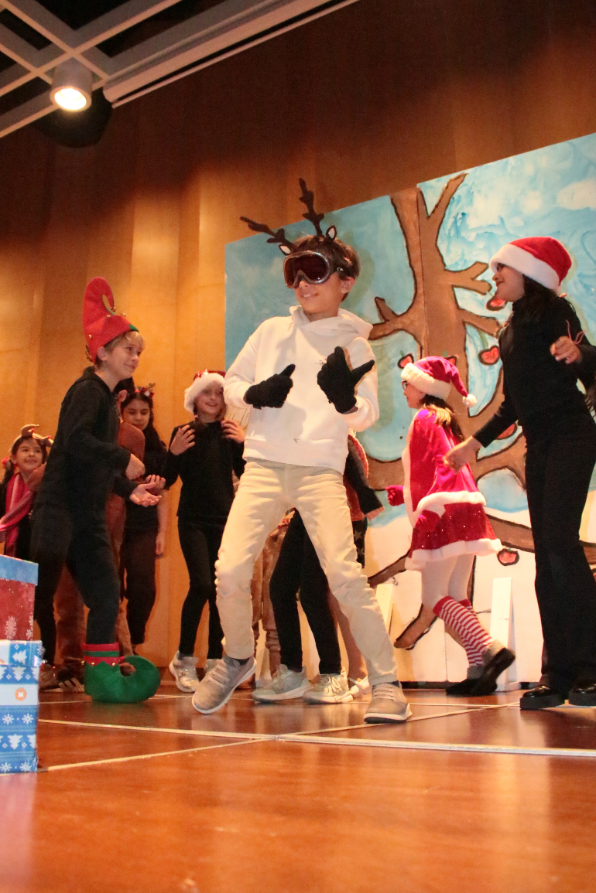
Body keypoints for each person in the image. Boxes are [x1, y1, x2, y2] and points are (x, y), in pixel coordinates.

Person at [192, 206, 409, 723]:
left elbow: (368, 413)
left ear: (345, 282)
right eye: (295, 273)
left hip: (318, 471)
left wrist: (345, 401)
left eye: (316, 272)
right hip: (264, 466)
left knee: (345, 576)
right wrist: (255, 394)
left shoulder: (354, 342)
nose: (303, 284)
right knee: (229, 569)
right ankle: (237, 657)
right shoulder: (270, 331)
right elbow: (233, 384)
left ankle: (386, 684)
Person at [445, 237, 596, 709]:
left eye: (501, 269)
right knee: (547, 557)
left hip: (572, 435)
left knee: (561, 545)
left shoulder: (557, 311)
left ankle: (591, 667)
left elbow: (589, 358)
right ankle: (557, 674)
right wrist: (472, 444)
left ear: (529, 274)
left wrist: (578, 355)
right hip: (540, 445)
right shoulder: (508, 332)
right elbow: (512, 403)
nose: (494, 276)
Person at [29, 277, 162, 703]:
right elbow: (75, 442)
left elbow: (93, 464)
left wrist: (127, 488)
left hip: (88, 516)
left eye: (138, 352)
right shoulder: (87, 390)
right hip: (58, 507)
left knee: (105, 596)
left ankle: (101, 676)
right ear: (102, 352)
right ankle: (35, 665)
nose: (135, 357)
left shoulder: (108, 400)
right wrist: (123, 458)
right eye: (128, 349)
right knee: (39, 593)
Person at [387, 357, 514, 695]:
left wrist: (431, 509)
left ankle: (489, 648)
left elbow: (444, 467)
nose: (404, 389)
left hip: (445, 513)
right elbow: (442, 466)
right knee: (457, 593)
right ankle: (478, 671)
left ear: (423, 388)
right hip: (461, 511)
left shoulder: (425, 418)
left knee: (434, 596)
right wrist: (406, 493)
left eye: (407, 383)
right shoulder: (443, 420)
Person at [254, 434, 380, 704]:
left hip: (335, 511)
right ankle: (292, 671)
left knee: (314, 591)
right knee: (280, 587)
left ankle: (333, 673)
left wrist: (365, 494)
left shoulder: (331, 427)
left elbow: (347, 448)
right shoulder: (295, 429)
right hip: (306, 510)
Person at [166, 371, 245, 692]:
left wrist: (243, 444)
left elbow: (245, 473)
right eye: (206, 392)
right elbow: (166, 478)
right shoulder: (183, 432)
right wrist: (173, 453)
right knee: (200, 583)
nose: (213, 398)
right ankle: (184, 659)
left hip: (224, 520)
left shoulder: (229, 432)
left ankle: (215, 661)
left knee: (219, 591)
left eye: (219, 392)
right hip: (192, 520)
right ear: (194, 398)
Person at [120, 385, 168, 651]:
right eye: (132, 412)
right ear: (121, 412)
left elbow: (164, 495)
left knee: (144, 588)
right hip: (113, 523)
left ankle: (132, 643)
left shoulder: (157, 448)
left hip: (144, 526)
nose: (138, 417)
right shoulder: (113, 442)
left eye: (144, 412)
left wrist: (162, 533)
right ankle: (114, 646)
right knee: (111, 589)